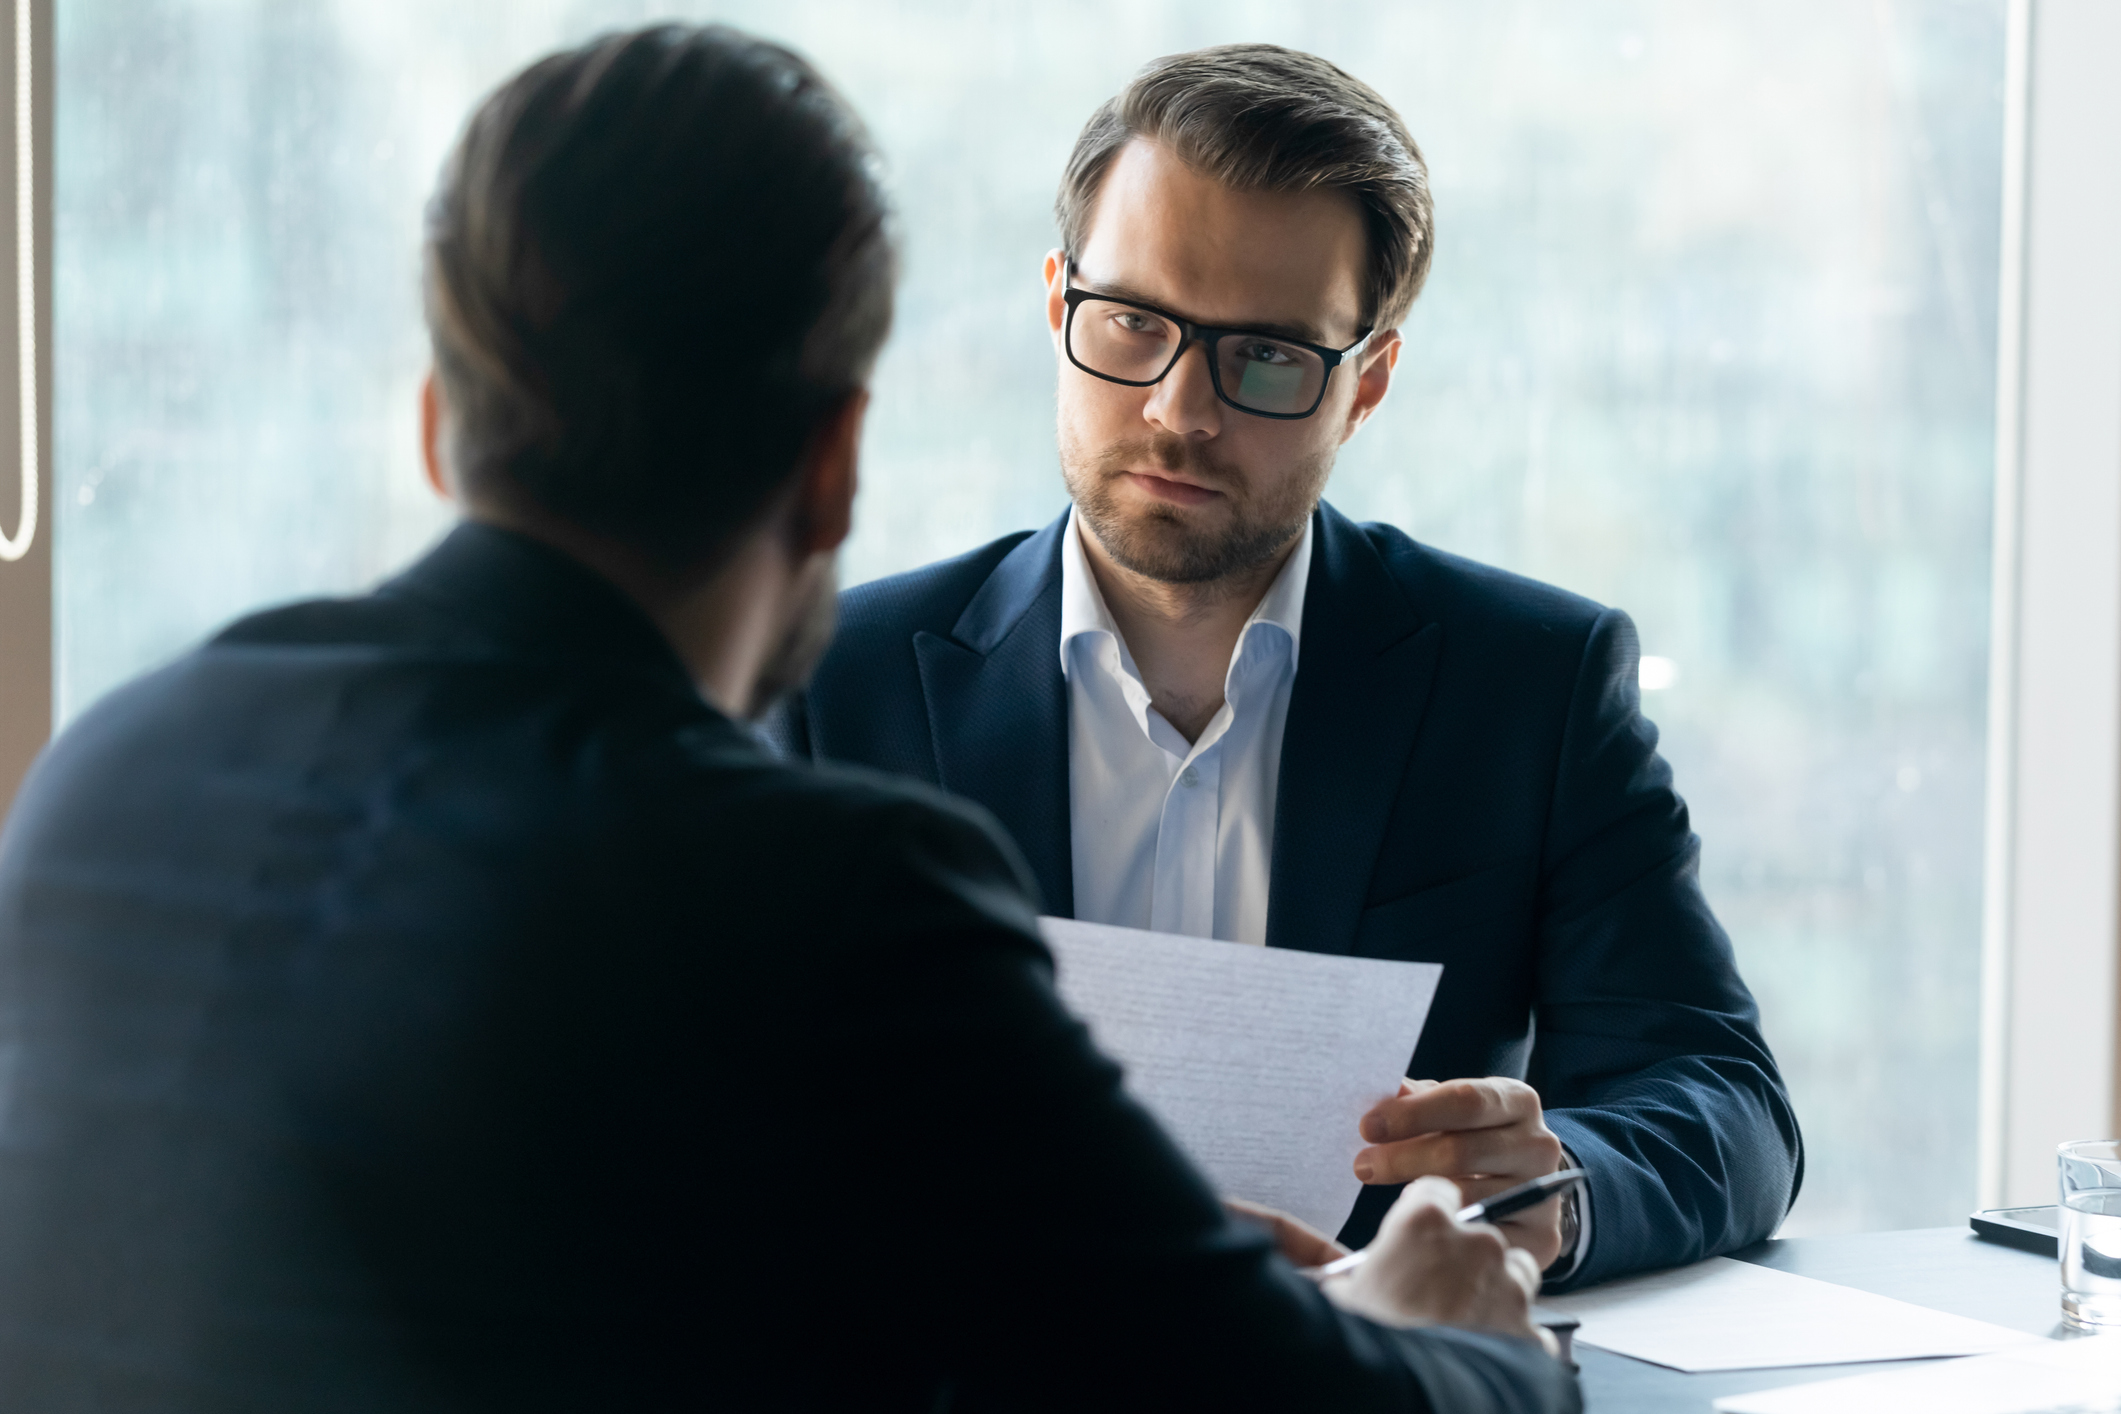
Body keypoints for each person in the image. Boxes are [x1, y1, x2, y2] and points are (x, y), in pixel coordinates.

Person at [0, 26, 1576, 1413]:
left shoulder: (104, 775)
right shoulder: (828, 890)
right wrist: (1458, 1332)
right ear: (833, 466)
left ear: (438, 427)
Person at [771, 43, 1803, 1289]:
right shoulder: (833, 681)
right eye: (1132, 324)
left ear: (1365, 383)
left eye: (1264, 357)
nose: (1177, 410)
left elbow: (1722, 1099)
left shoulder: (1532, 683)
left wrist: (1554, 1188)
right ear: (1058, 308)